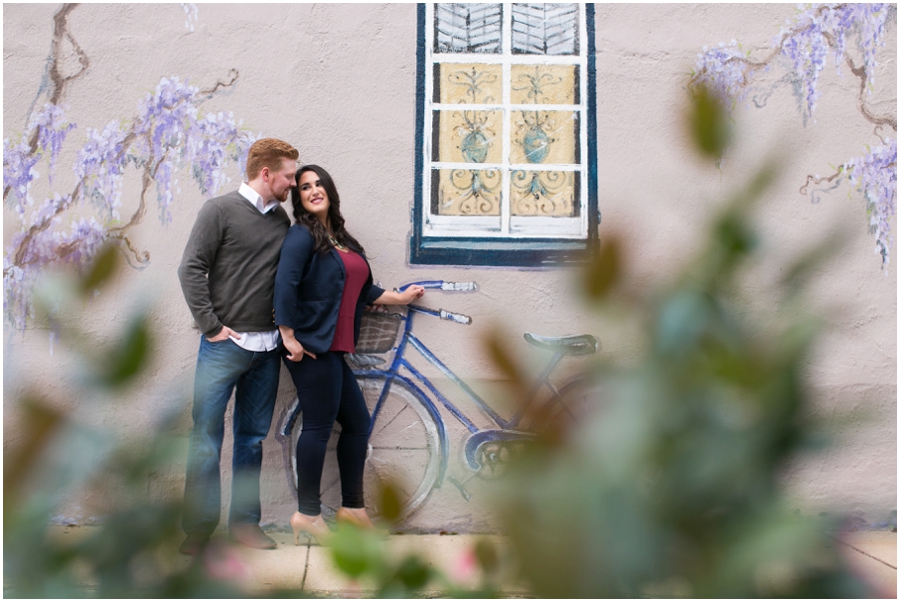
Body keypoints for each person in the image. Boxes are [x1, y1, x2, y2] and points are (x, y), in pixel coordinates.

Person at [274, 164, 424, 544]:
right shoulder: (300, 236)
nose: (313, 190)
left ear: (329, 189)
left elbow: (365, 288)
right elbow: (285, 284)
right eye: (304, 187)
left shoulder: (340, 238)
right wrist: (288, 335)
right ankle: (307, 514)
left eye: (318, 183)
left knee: (357, 423)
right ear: (299, 198)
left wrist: (399, 298)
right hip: (309, 348)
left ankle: (352, 509)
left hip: (334, 350)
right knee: (319, 427)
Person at [177, 138, 299, 555]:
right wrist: (212, 327)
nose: (293, 184)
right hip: (224, 346)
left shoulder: (281, 220)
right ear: (266, 174)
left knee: (250, 440)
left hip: (267, 351)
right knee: (205, 437)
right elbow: (190, 267)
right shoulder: (219, 210)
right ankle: (198, 531)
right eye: (288, 176)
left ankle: (246, 525)